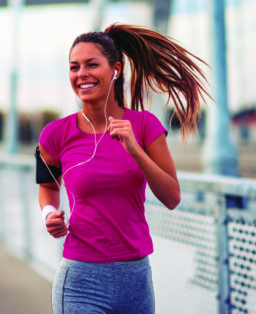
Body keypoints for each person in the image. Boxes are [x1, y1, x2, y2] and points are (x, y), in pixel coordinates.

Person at [36, 23, 210, 314]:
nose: (82, 74)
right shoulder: (54, 134)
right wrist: (49, 214)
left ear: (115, 69)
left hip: (136, 279)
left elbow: (172, 198)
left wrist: (135, 150)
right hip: (80, 279)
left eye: (92, 65)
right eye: (74, 67)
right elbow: (48, 187)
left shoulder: (144, 126)